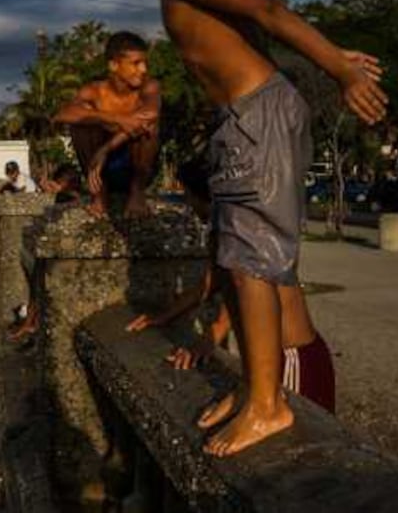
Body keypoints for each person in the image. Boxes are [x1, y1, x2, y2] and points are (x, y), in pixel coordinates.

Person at [91, 0, 385, 456]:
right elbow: (249, 32)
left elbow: (266, 9)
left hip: (257, 116)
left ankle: (269, 406)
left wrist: (339, 68)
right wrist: (324, 61)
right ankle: (255, 389)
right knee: (232, 258)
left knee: (253, 262)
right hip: (241, 119)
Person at [124, 158, 335, 414]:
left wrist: (211, 335)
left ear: (199, 195)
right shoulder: (225, 223)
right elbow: (210, 284)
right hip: (290, 354)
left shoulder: (234, 224)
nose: (187, 205)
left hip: (292, 355)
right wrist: (163, 316)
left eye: (187, 196)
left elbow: (242, 284)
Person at [53, 31, 161, 217]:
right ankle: (99, 195)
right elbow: (63, 115)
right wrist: (117, 119)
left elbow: (150, 115)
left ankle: (137, 193)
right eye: (136, 63)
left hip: (138, 167)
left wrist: (106, 149)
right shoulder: (94, 91)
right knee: (81, 122)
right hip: (99, 170)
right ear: (114, 65)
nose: (143, 69)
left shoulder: (149, 87)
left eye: (145, 63)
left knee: (150, 126)